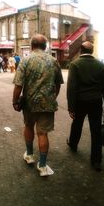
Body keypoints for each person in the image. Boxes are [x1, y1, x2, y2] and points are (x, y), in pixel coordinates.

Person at [12, 34, 64, 176]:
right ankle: (42, 166)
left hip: (29, 103)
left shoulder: (25, 60)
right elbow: (58, 84)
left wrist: (15, 101)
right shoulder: (53, 61)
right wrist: (51, 98)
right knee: (43, 133)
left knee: (28, 126)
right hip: (47, 104)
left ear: (31, 46)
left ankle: (29, 155)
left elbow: (18, 85)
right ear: (45, 46)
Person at [66, 41, 104, 172]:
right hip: (96, 102)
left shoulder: (75, 64)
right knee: (96, 130)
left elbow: (71, 88)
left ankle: (73, 144)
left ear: (80, 51)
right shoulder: (100, 65)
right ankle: (96, 161)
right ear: (91, 51)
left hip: (80, 102)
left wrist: (71, 107)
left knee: (77, 124)